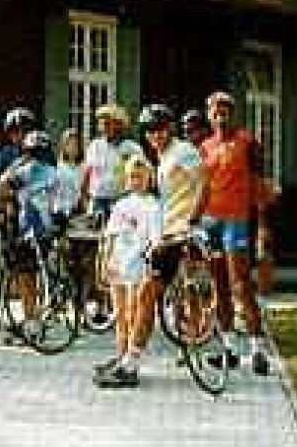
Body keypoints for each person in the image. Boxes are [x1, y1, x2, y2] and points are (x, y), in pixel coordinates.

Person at [96, 103, 204, 389]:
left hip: (178, 234)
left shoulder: (184, 152)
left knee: (148, 294)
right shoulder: (162, 156)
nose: (154, 135)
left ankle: (132, 363)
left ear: (169, 128)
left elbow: (203, 185)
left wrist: (192, 220)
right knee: (144, 294)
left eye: (159, 129)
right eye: (149, 131)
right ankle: (128, 360)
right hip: (164, 234)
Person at [200, 90, 270, 376]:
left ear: (232, 114)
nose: (220, 117)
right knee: (219, 286)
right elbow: (201, 186)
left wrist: (264, 224)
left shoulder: (247, 142)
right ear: (209, 116)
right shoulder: (205, 147)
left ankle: (257, 349)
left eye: (224, 111)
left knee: (241, 284)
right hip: (210, 220)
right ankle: (228, 347)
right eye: (215, 112)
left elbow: (259, 183)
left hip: (237, 221)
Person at [95, 155, 161, 389]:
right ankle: (120, 356)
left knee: (134, 314)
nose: (136, 180)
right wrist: (105, 260)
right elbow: (111, 235)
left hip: (137, 266)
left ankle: (131, 363)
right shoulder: (121, 204)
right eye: (132, 176)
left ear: (149, 179)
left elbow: (155, 240)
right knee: (120, 315)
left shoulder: (153, 206)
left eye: (141, 176)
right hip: (118, 264)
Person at [0, 128, 58, 341]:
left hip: (27, 228)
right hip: (48, 228)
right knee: (44, 273)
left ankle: (30, 318)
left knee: (26, 274)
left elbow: (1, 190)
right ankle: (44, 314)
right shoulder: (55, 172)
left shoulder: (26, 170)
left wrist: (14, 175)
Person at [80, 104, 143, 220]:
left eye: (108, 124)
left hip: (122, 198)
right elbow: (87, 172)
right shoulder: (95, 145)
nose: (104, 128)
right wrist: (84, 198)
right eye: (102, 124)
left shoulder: (132, 148)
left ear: (120, 125)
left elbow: (140, 176)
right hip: (98, 199)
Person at [53, 128, 83, 223]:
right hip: (59, 212)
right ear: (64, 146)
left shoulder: (82, 168)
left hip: (77, 213)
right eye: (69, 144)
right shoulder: (57, 169)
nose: (73, 148)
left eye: (76, 145)